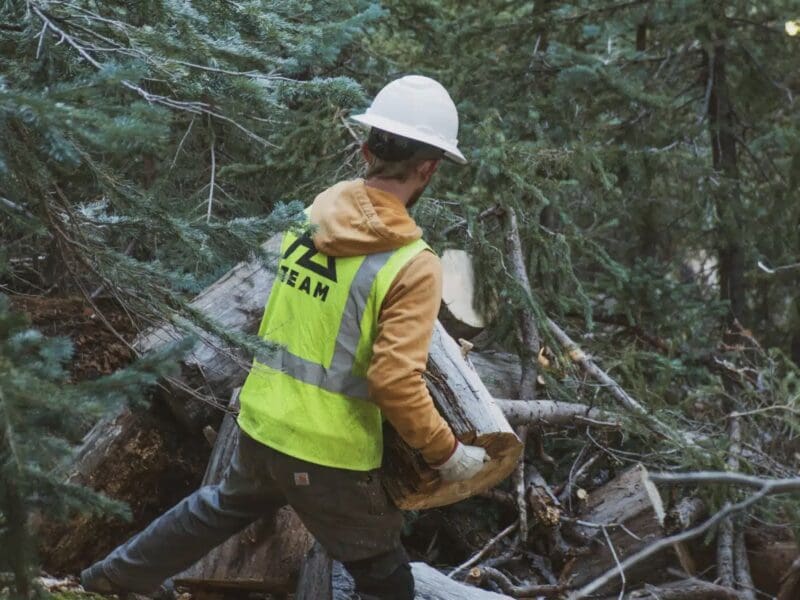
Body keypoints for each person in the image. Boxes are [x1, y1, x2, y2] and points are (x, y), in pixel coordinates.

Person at [81, 75, 489, 600]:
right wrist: (446, 452)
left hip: (263, 418)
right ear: (429, 168)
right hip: (328, 451)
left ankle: (112, 578)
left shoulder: (314, 215)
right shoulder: (414, 264)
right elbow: (394, 380)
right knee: (385, 577)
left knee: (220, 506)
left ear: (367, 151)